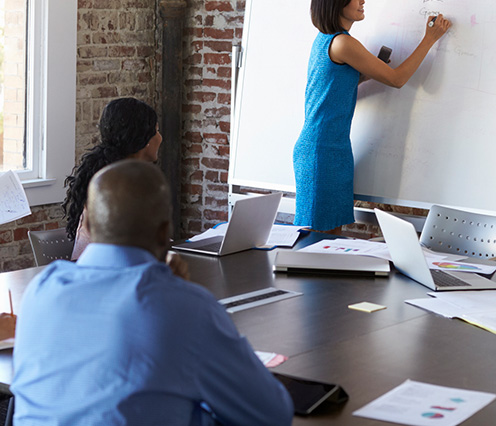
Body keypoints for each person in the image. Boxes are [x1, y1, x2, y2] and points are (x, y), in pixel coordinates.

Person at [11, 160, 293, 425]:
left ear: (87, 226)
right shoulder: (185, 309)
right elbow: (273, 414)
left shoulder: (41, 291)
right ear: (164, 233)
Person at [293, 0, 451, 231]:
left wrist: (365, 73)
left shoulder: (326, 40)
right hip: (322, 151)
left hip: (330, 147)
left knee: (330, 238)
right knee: (319, 242)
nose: (363, 1)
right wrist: (429, 39)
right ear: (337, 2)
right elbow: (398, 79)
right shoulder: (343, 43)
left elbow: (335, 87)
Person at [62, 97, 162, 259]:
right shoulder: (120, 187)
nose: (160, 137)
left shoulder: (107, 177)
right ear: (145, 140)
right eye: (157, 131)